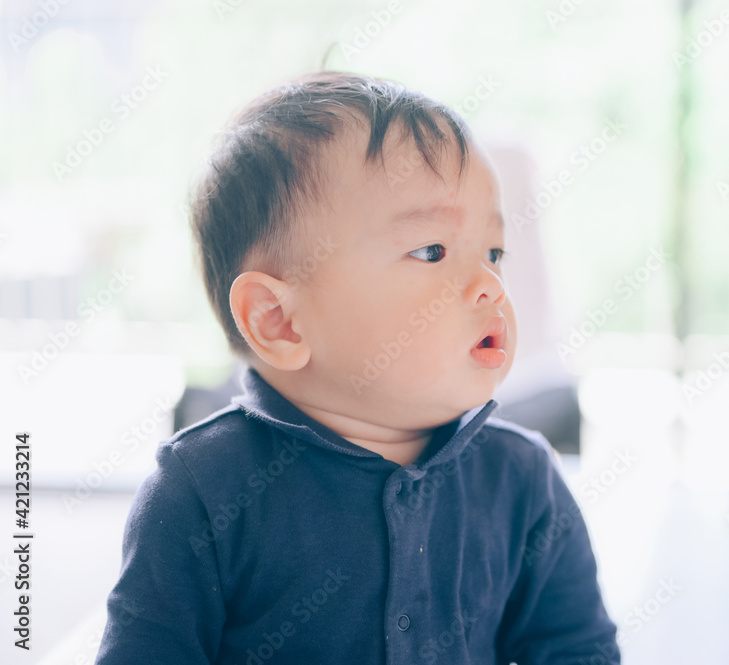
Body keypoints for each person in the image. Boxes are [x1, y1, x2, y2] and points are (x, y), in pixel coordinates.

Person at [94, 70, 620, 665]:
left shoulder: (524, 479)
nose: (490, 286)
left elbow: (579, 649)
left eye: (493, 253)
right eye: (431, 251)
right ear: (279, 321)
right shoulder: (202, 491)